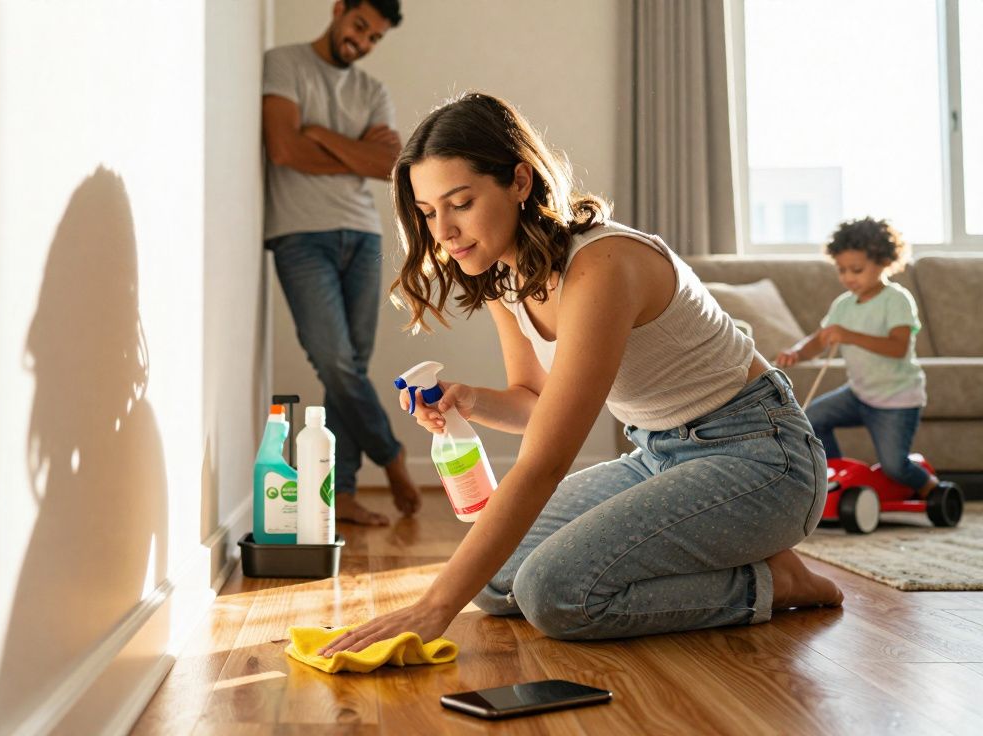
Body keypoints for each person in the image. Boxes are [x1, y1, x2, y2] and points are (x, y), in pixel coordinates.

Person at [319, 92, 842, 654]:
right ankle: (726, 545)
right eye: (427, 213)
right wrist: (467, 399)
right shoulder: (502, 275)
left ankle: (775, 581)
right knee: (498, 583)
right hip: (658, 455)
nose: (443, 231)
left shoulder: (602, 266)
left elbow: (546, 458)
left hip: (761, 457)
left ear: (520, 182)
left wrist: (433, 606)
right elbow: (534, 401)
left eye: (460, 202)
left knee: (554, 594)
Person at [262, 0, 421, 525]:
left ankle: (342, 491)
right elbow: (283, 149)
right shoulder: (283, 63)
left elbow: (389, 165)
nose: (362, 42)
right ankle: (391, 454)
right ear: (338, 10)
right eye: (359, 27)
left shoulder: (372, 90)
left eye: (374, 38)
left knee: (348, 369)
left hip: (364, 235)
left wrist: (323, 135)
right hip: (299, 236)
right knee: (334, 359)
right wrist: (353, 150)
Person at [776, 217, 950, 501]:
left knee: (895, 466)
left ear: (883, 261)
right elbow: (821, 339)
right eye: (841, 270)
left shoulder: (896, 300)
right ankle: (837, 481)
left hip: (896, 399)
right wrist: (796, 352)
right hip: (859, 394)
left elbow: (898, 347)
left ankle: (931, 487)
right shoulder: (843, 305)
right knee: (811, 420)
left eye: (856, 269)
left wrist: (849, 335)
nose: (848, 277)